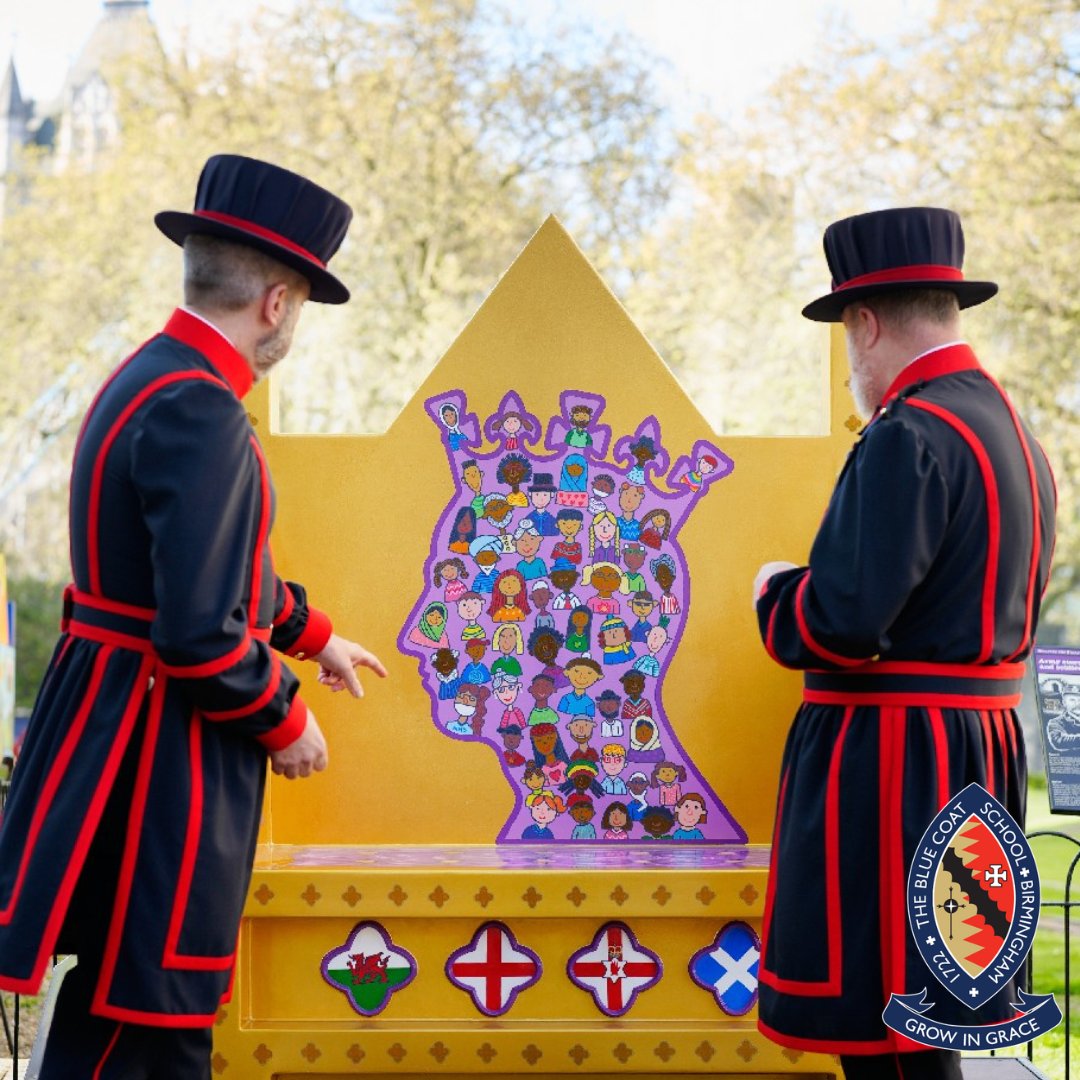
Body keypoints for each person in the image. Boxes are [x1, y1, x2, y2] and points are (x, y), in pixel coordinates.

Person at [0, 154, 389, 1079]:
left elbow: (190, 571)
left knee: (132, 1024)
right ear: (279, 303)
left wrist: (310, 630)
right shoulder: (202, 409)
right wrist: (285, 719)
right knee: (151, 1025)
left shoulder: (151, 374)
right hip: (156, 758)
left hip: (115, 728)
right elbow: (198, 631)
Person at [752, 207, 1056, 1080]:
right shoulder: (1017, 435)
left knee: (890, 1040)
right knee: (939, 1023)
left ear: (866, 323)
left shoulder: (908, 433)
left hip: (896, 767)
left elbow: (837, 623)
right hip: (976, 756)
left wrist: (775, 591)